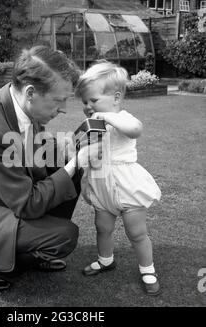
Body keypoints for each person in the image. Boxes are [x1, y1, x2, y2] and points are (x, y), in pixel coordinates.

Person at [0, 45, 102, 293]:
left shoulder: (17, 104)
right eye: (59, 100)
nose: (64, 108)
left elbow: (29, 148)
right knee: (64, 235)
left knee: (67, 167)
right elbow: (27, 203)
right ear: (31, 92)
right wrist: (75, 162)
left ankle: (32, 246)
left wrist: (65, 151)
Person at [75, 60, 162, 296]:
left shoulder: (122, 117)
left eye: (93, 101)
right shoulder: (93, 124)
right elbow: (91, 155)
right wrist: (85, 181)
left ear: (115, 98)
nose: (88, 106)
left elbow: (135, 129)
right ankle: (106, 259)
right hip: (102, 185)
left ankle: (148, 269)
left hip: (127, 185)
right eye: (85, 102)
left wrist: (106, 116)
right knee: (102, 227)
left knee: (136, 232)